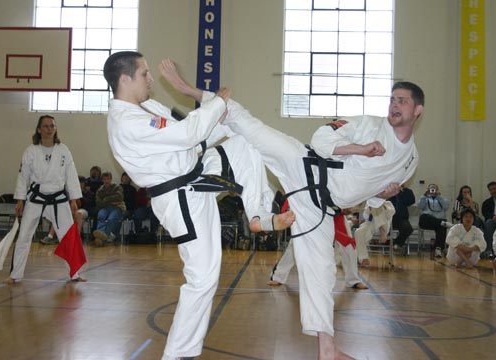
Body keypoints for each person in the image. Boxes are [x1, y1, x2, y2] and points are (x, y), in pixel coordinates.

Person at [166, 63, 424, 358]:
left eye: (402, 101)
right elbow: (321, 139)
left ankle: (327, 350)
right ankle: (189, 96)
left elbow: (373, 194)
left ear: (418, 110)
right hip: (305, 165)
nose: (395, 105)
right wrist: (359, 148)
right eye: (393, 99)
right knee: (249, 127)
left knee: (322, 272)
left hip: (323, 208)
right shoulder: (369, 125)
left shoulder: (411, 160)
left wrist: (383, 193)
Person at [102, 52, 294, 360]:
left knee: (245, 139)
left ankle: (258, 215)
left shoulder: (147, 106)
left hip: (195, 169)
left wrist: (220, 117)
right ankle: (176, 355)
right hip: (180, 198)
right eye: (145, 74)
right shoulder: (125, 121)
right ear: (124, 79)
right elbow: (187, 133)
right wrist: (216, 102)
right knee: (202, 278)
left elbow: (189, 135)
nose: (151, 79)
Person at [4, 115, 84, 284]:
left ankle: (75, 273)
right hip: (36, 198)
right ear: (39, 130)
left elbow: (71, 175)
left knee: (69, 235)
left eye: (52, 126)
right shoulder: (31, 151)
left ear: (55, 129)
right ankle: (15, 274)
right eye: (46, 126)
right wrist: (20, 199)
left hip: (58, 198)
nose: (49, 129)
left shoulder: (63, 150)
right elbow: (22, 176)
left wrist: (74, 198)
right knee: (24, 235)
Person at [354, 201, 395, 267]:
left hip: (384, 225)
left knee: (377, 207)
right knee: (358, 232)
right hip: (370, 225)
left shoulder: (388, 203)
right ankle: (364, 259)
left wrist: (380, 207)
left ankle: (382, 231)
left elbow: (390, 214)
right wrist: (370, 209)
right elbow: (366, 217)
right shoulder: (369, 203)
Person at [418, 184, 452, 258]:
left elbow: (446, 207)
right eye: (431, 189)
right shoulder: (424, 198)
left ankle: (438, 249)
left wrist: (438, 197)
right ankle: (442, 223)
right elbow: (420, 206)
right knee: (424, 216)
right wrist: (425, 195)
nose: (432, 191)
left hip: (439, 221)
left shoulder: (443, 199)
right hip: (426, 221)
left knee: (441, 227)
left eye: (434, 189)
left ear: (437, 190)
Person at [93, 172, 125, 246]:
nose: (106, 181)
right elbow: (98, 203)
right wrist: (112, 201)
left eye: (108, 179)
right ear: (102, 180)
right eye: (104, 179)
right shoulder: (100, 190)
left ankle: (102, 237)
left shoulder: (117, 187)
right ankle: (102, 237)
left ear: (111, 179)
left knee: (111, 219)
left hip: (117, 207)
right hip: (104, 208)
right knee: (101, 215)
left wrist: (106, 198)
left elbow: (119, 197)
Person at [388, 185, 415, 252]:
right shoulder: (388, 190)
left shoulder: (407, 191)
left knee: (408, 228)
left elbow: (410, 202)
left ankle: (397, 243)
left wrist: (401, 193)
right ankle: (387, 243)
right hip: (388, 217)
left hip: (401, 217)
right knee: (384, 228)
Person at [482, 181, 496, 258]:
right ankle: (489, 250)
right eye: (490, 190)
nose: (493, 191)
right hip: (493, 222)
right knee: (489, 223)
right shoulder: (486, 202)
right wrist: (493, 217)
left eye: (494, 188)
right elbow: (485, 214)